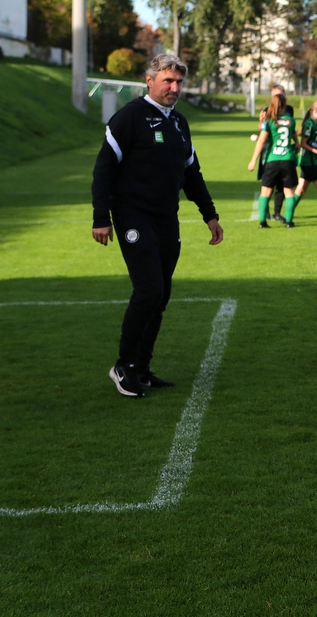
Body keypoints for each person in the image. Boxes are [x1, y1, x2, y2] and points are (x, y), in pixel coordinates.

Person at [91, 54, 223, 398]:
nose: (174, 88)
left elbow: (191, 173)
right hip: (133, 216)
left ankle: (141, 367)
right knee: (148, 290)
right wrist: (100, 218)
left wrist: (210, 214)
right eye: (168, 81)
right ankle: (123, 365)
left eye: (179, 82)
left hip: (167, 218)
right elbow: (104, 168)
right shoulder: (129, 117)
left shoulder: (179, 122)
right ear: (149, 80)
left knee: (160, 295)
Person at [247, 93, 300, 228]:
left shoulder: (269, 121)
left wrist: (253, 160)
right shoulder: (290, 120)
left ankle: (262, 222)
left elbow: (262, 140)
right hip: (288, 159)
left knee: (266, 191)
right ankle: (289, 221)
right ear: (285, 105)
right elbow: (294, 135)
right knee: (289, 192)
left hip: (273, 159)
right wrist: (297, 144)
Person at [258, 84, 294, 223]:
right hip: (284, 155)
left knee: (268, 188)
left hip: (272, 155)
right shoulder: (289, 119)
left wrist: (252, 160)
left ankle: (270, 216)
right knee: (285, 189)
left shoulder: (271, 118)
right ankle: (284, 219)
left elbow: (261, 136)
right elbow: (291, 130)